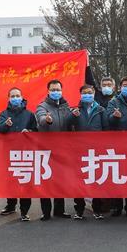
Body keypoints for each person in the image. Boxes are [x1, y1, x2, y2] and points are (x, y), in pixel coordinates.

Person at [35, 79, 77, 220]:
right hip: (46, 149)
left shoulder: (66, 106)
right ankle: (46, 212)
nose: (56, 92)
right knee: (46, 180)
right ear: (48, 91)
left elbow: (71, 123)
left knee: (60, 179)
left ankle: (59, 210)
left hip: (62, 149)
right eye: (53, 90)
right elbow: (40, 118)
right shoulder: (42, 106)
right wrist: (47, 120)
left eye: (58, 89)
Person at [0, 87, 38, 221]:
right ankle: (11, 205)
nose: (15, 98)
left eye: (17, 95)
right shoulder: (4, 114)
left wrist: (29, 131)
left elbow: (36, 131)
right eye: (12, 96)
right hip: (9, 152)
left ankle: (24, 211)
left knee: (25, 181)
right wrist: (6, 125)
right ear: (9, 98)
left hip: (25, 152)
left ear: (22, 97)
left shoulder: (29, 114)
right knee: (11, 181)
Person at [105, 77, 127, 217]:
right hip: (118, 144)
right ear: (120, 87)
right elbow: (108, 121)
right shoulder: (113, 102)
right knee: (118, 176)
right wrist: (115, 117)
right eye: (125, 85)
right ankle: (117, 206)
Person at [73, 84, 107, 220]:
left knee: (97, 179)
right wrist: (73, 116)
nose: (87, 95)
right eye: (85, 93)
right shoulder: (76, 110)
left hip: (96, 150)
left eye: (90, 93)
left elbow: (106, 128)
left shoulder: (100, 110)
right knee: (79, 181)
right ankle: (79, 210)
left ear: (94, 94)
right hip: (80, 150)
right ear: (81, 95)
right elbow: (69, 126)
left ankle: (97, 209)